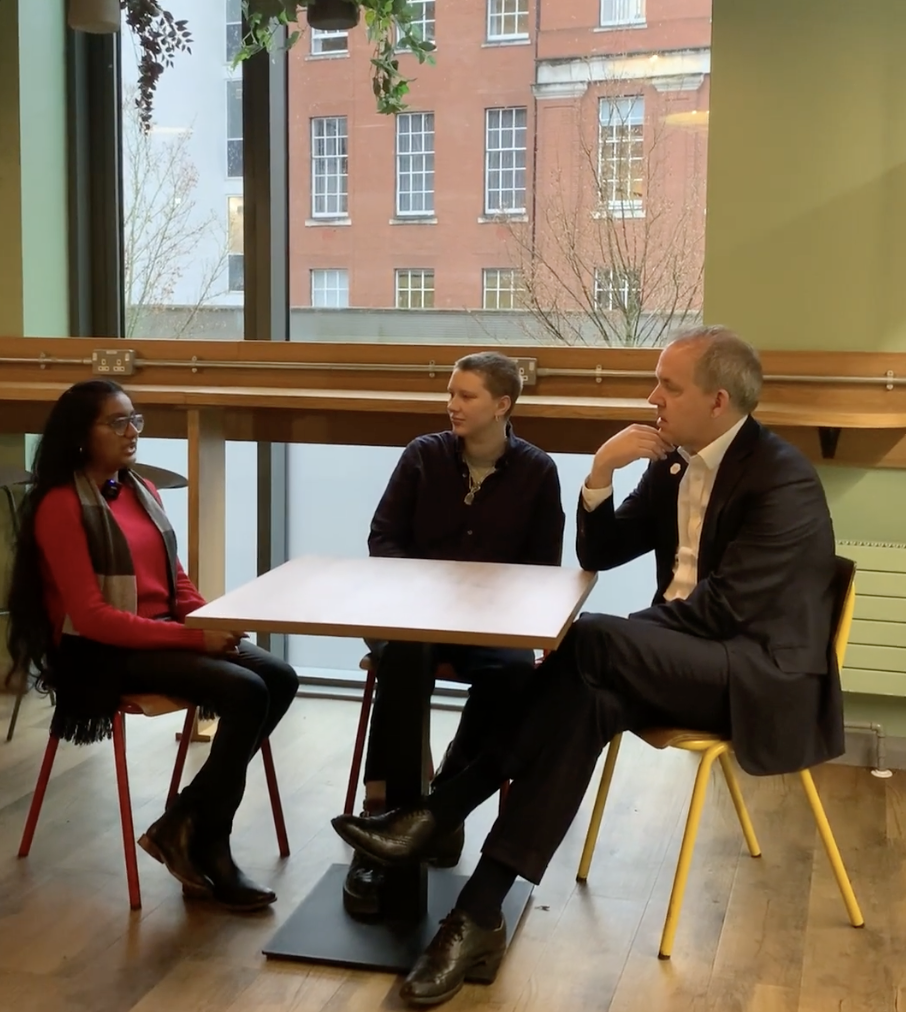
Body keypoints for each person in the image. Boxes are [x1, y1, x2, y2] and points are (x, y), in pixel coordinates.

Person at [332, 326, 844, 1005]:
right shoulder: (672, 466)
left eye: (669, 385)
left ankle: (435, 811)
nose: (652, 396)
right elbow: (601, 551)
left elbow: (727, 615)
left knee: (595, 644)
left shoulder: (781, 478)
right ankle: (477, 913)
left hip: (753, 671)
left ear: (718, 401)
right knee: (584, 700)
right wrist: (601, 471)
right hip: (681, 657)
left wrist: (625, 639)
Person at [6, 380, 299, 913]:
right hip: (99, 652)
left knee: (279, 677)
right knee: (245, 691)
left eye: (134, 419)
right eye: (116, 423)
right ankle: (210, 846)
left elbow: (175, 581)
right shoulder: (59, 506)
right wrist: (194, 638)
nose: (132, 431)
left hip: (158, 634)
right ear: (80, 435)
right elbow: (92, 618)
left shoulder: (142, 489)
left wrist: (214, 620)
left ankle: (183, 824)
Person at [344, 351, 565, 919]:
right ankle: (384, 826)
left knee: (515, 675)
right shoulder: (423, 456)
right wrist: (428, 591)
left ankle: (439, 808)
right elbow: (383, 539)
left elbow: (542, 571)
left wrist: (493, 608)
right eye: (450, 393)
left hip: (488, 625)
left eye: (466, 396)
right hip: (409, 615)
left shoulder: (538, 471)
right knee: (406, 659)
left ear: (502, 405)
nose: (452, 405)